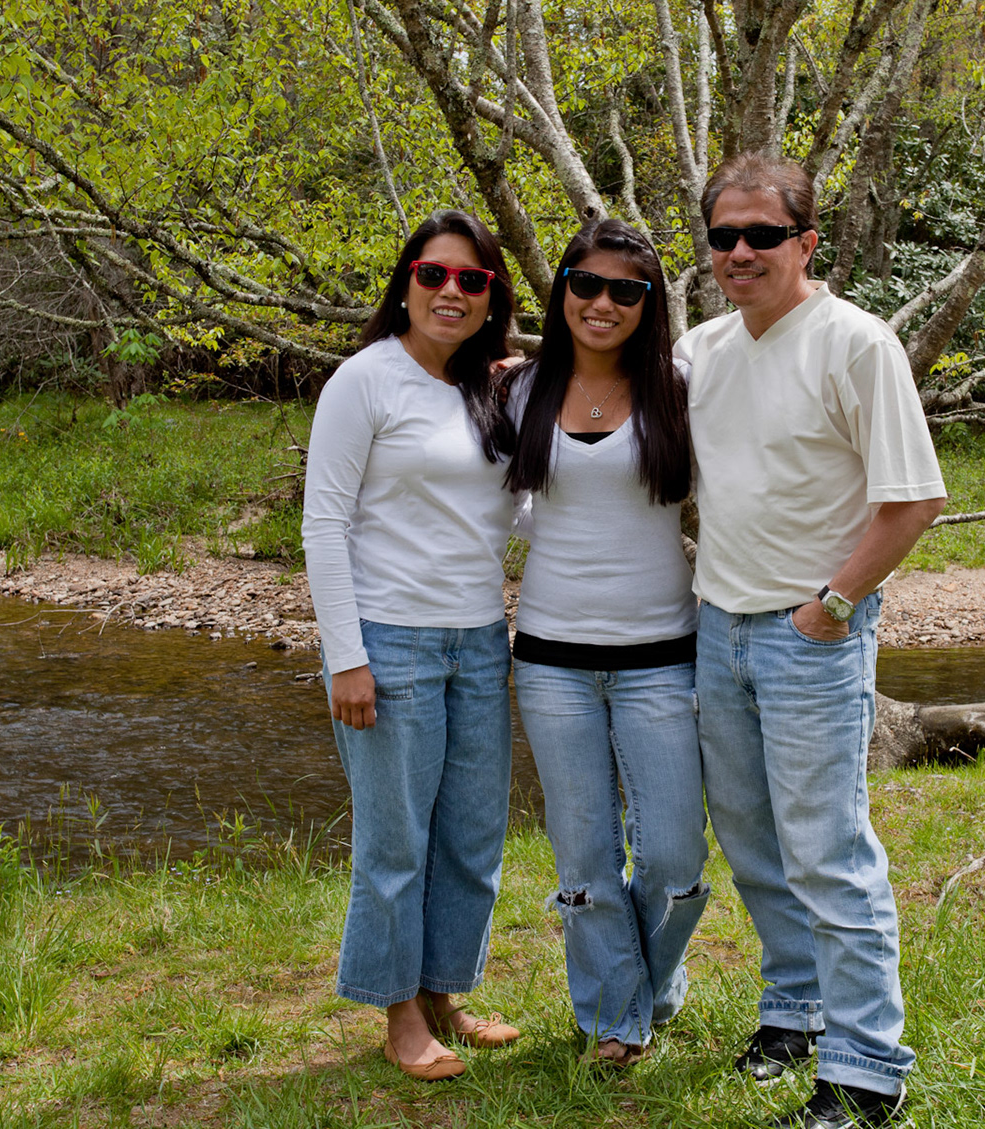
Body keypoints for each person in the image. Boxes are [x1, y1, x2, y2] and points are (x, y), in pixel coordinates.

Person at [676, 154, 947, 1128]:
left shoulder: (856, 344)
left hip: (812, 635)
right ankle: (794, 1011)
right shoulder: (701, 350)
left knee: (829, 850)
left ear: (807, 242)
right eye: (724, 236)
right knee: (753, 840)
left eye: (763, 234)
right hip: (718, 626)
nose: (740, 252)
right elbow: (605, 396)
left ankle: (869, 1073)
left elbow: (913, 500)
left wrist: (832, 604)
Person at [302, 210, 525, 1082]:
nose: (450, 291)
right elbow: (324, 524)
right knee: (396, 839)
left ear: (492, 296)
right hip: (388, 641)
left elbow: (519, 509)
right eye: (434, 274)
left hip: (480, 640)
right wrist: (346, 656)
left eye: (473, 280)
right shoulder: (365, 380)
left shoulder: (492, 390)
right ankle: (397, 1011)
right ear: (406, 283)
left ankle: (443, 992)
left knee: (471, 832)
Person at [504, 219, 706, 1067]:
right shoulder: (520, 390)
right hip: (551, 660)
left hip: (662, 655)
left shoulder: (681, 387)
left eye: (627, 289)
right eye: (586, 283)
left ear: (649, 303)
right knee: (584, 854)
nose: (603, 302)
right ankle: (617, 1020)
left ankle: (649, 989)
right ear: (562, 290)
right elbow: (488, 500)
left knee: (676, 857)